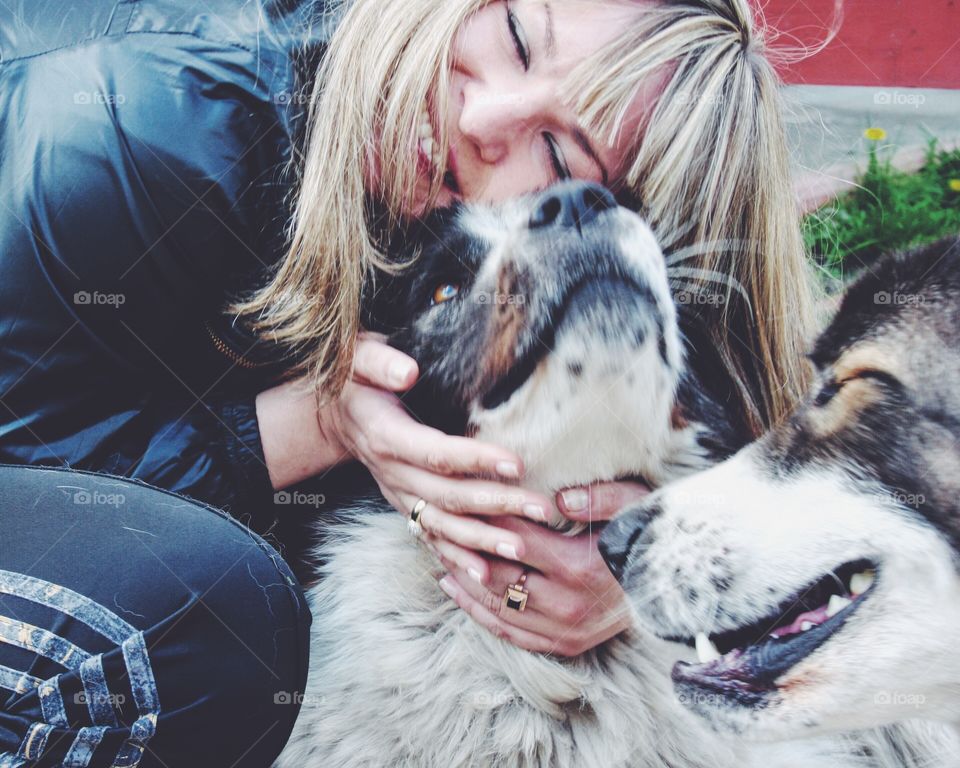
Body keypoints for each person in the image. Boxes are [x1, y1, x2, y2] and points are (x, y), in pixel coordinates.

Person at [0, 0, 815, 763]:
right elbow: (32, 485)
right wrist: (314, 423)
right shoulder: (138, 128)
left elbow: (738, 411)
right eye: (519, 40)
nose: (482, 119)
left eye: (562, 159)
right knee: (213, 610)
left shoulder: (436, 205)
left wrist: (638, 560)